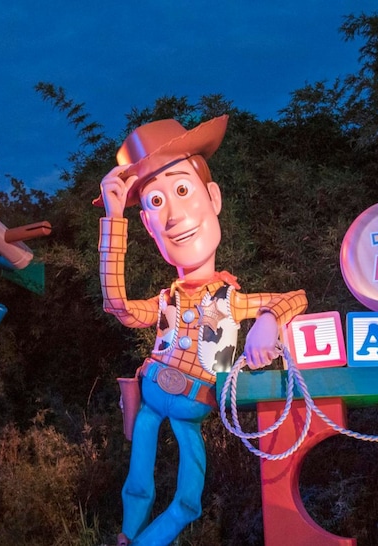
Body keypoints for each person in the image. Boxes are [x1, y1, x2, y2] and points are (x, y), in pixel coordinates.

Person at [96, 115, 306, 545]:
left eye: (182, 190)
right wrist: (114, 220)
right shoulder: (165, 300)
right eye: (156, 202)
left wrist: (268, 321)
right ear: (148, 226)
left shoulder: (232, 299)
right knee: (138, 481)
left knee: (188, 500)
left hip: (195, 404)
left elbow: (296, 297)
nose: (173, 216)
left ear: (213, 197)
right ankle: (127, 535)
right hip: (152, 394)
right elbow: (118, 306)